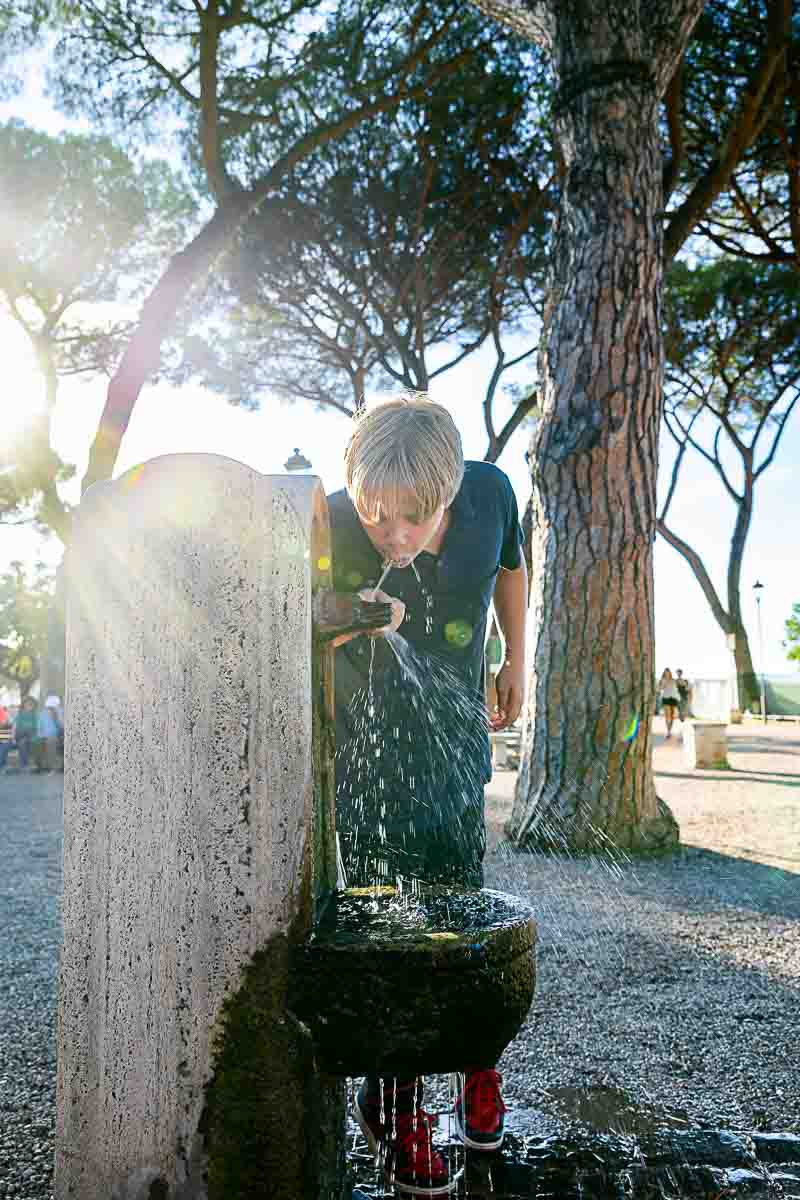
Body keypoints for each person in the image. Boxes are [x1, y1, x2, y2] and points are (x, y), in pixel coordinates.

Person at [327, 394, 528, 1197]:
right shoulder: (332, 519)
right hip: (368, 751)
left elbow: (513, 566)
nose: (396, 535)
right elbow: (290, 617)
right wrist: (349, 613)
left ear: (451, 491)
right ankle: (396, 1101)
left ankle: (475, 1063)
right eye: (379, 519)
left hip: (456, 741)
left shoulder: (491, 493)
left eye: (415, 517)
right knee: (388, 918)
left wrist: (518, 656)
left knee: (460, 899)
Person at [13, 697, 38, 770]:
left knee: (30, 741)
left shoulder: (34, 715)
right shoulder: (20, 715)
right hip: (21, 735)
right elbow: (17, 727)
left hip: (31, 735)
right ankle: (24, 764)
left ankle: (27, 763)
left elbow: (35, 727)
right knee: (22, 742)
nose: (29, 706)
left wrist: (31, 732)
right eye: (27, 704)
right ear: (24, 705)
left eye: (31, 705)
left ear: (33, 706)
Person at [658, 669, 681, 738]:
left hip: (674, 698)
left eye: (668, 673)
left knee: (672, 716)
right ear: (664, 674)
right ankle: (668, 732)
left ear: (670, 673)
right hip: (666, 698)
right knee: (667, 715)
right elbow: (659, 689)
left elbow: (677, 688)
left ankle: (669, 730)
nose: (667, 674)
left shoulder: (673, 680)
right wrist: (663, 685)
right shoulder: (662, 680)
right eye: (665, 673)